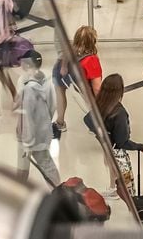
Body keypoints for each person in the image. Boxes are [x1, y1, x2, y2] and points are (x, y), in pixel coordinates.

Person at [96, 73, 143, 197]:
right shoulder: (119, 113)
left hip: (106, 146)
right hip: (117, 151)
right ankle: (131, 201)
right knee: (127, 181)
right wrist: (142, 147)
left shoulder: (99, 105)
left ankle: (112, 187)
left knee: (111, 167)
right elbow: (123, 142)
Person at [15, 50, 61, 185]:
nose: (20, 64)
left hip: (28, 134)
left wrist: (27, 142)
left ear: (28, 65)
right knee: (45, 162)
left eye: (23, 62)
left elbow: (26, 114)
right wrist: (45, 121)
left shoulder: (26, 85)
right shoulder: (48, 81)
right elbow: (53, 105)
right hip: (43, 129)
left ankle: (58, 192)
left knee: (40, 164)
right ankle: (58, 191)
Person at [54, 25, 104, 133]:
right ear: (93, 41)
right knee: (92, 102)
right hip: (83, 84)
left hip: (63, 75)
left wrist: (63, 67)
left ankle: (60, 122)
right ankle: (96, 123)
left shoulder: (71, 49)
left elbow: (64, 56)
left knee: (60, 96)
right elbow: (97, 88)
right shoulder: (92, 61)